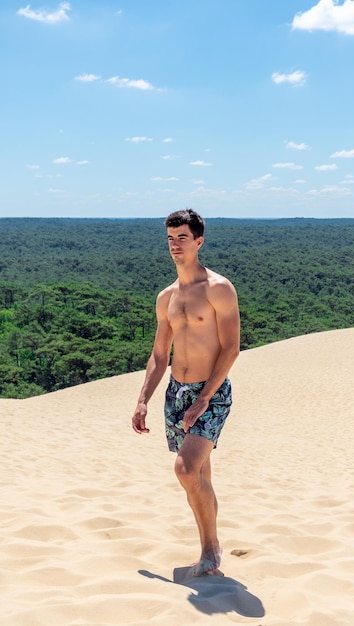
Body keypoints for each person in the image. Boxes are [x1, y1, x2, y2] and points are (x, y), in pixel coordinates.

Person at [132, 209, 240, 577]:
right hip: (176, 393)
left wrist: (205, 398)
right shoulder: (166, 298)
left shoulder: (218, 289)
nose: (175, 245)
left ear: (199, 241)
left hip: (210, 392)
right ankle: (208, 547)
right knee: (198, 476)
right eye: (170, 239)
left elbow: (231, 348)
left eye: (182, 238)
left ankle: (211, 549)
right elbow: (160, 354)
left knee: (185, 468)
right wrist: (143, 398)